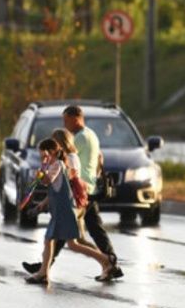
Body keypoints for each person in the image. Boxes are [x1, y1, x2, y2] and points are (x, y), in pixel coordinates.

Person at [24, 105, 124, 280]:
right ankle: (108, 262)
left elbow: (64, 165)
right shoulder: (91, 135)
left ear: (76, 118)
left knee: (70, 238)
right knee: (83, 235)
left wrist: (47, 168)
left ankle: (44, 269)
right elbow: (100, 158)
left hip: (76, 192)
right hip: (86, 189)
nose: (65, 125)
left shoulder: (78, 140)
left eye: (66, 120)